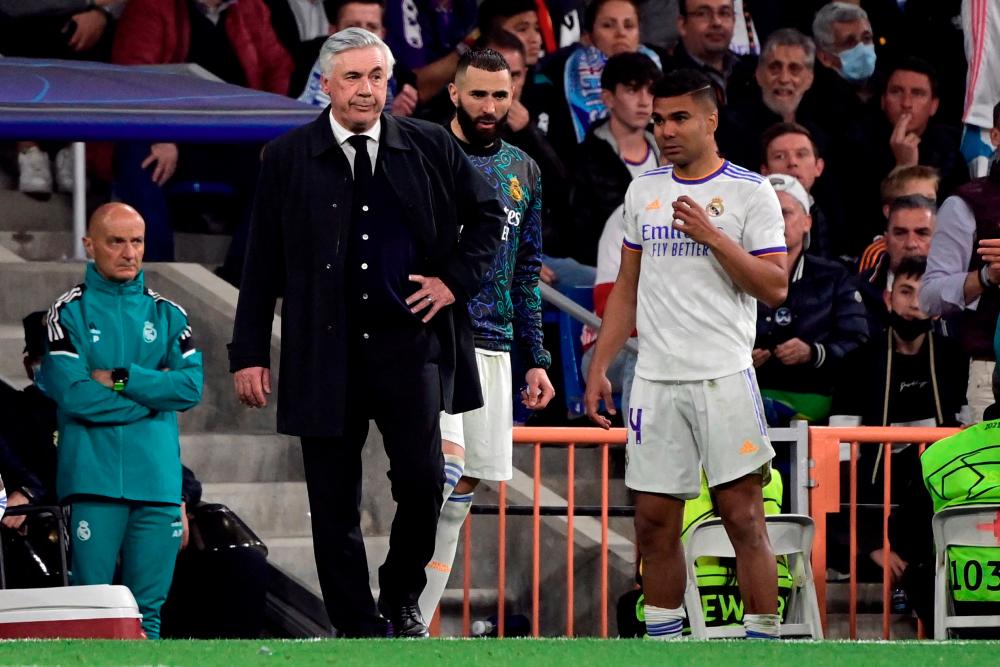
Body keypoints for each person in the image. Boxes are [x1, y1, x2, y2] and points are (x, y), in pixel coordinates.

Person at [228, 28, 505, 638]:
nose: (366, 90)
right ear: (326, 85)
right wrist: (248, 353)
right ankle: (356, 625)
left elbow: (491, 217)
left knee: (425, 480)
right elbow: (260, 264)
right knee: (332, 502)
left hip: (410, 347)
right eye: (352, 78)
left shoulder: (430, 143)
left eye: (377, 77)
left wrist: (452, 282)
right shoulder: (286, 156)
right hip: (323, 353)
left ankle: (402, 596)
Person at [585, 69, 787, 640]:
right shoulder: (643, 191)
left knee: (743, 517)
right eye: (658, 120)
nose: (666, 130)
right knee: (652, 523)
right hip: (653, 379)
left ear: (710, 119)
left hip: (723, 377)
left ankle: (763, 644)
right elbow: (627, 287)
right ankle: (665, 645)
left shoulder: (751, 192)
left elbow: (774, 286)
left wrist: (715, 236)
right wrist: (601, 365)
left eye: (679, 118)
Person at [418, 48, 555, 624]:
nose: (490, 106)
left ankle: (413, 622)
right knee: (440, 473)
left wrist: (537, 359)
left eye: (501, 95)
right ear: (454, 93)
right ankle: (393, 604)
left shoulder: (525, 170)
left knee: (462, 491)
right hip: (431, 337)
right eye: (478, 94)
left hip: (496, 345)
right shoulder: (421, 151)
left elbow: (527, 271)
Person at [41, 202, 204, 639]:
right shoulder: (65, 313)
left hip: (157, 484)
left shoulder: (169, 314)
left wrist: (121, 378)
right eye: (117, 241)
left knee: (147, 613)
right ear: (89, 245)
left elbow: (190, 388)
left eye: (137, 241)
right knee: (91, 607)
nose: (129, 252)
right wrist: (152, 397)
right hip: (93, 482)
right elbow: (75, 395)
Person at [753, 173, 868, 426]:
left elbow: (859, 341)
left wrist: (815, 353)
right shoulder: (736, 275)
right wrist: (740, 358)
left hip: (820, 405)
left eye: (785, 213)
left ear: (807, 222)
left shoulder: (835, 277)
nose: (775, 221)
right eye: (766, 212)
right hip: (749, 399)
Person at [920, 101, 1000, 422]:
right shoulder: (965, 202)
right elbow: (930, 296)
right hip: (992, 372)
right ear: (995, 136)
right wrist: (987, 276)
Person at [570, 51, 661, 266]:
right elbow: (580, 235)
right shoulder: (585, 159)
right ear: (608, 98)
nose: (644, 101)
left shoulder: (670, 152)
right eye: (632, 90)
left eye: (651, 91)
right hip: (609, 270)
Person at [717, 28, 824, 172]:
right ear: (759, 74)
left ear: (809, 79)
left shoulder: (821, 131)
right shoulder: (731, 126)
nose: (784, 79)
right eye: (775, 68)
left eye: (794, 69)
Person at [298, 0, 419, 118]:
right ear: (333, 33)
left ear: (382, 34)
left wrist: (396, 120)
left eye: (371, 27)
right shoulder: (301, 59)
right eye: (352, 28)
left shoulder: (400, 78)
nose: (363, 37)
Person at [857, 195, 937, 332]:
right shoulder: (855, 291)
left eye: (922, 233)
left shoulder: (960, 293)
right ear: (886, 241)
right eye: (900, 233)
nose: (911, 243)